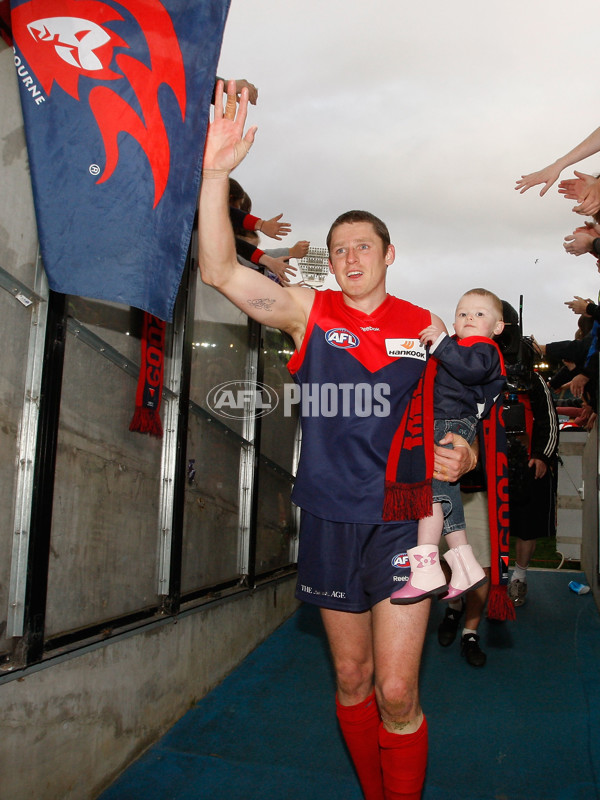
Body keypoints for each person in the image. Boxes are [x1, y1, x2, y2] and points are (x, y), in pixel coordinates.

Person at [198, 81, 475, 800]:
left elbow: (460, 411)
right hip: (327, 514)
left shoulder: (425, 328)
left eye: (363, 246)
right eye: (339, 248)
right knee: (352, 680)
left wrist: (464, 448)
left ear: (390, 253)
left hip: (404, 517)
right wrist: (214, 174)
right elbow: (220, 271)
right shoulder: (307, 313)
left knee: (394, 687)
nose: (351, 257)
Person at [391, 289, 505, 605]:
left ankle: (426, 570)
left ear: (498, 327)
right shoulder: (463, 347)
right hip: (446, 420)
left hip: (450, 423)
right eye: (462, 313)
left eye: (479, 314)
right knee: (445, 495)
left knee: (431, 495)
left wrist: (441, 344)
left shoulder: (482, 348)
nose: (469, 318)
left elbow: (472, 370)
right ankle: (465, 565)